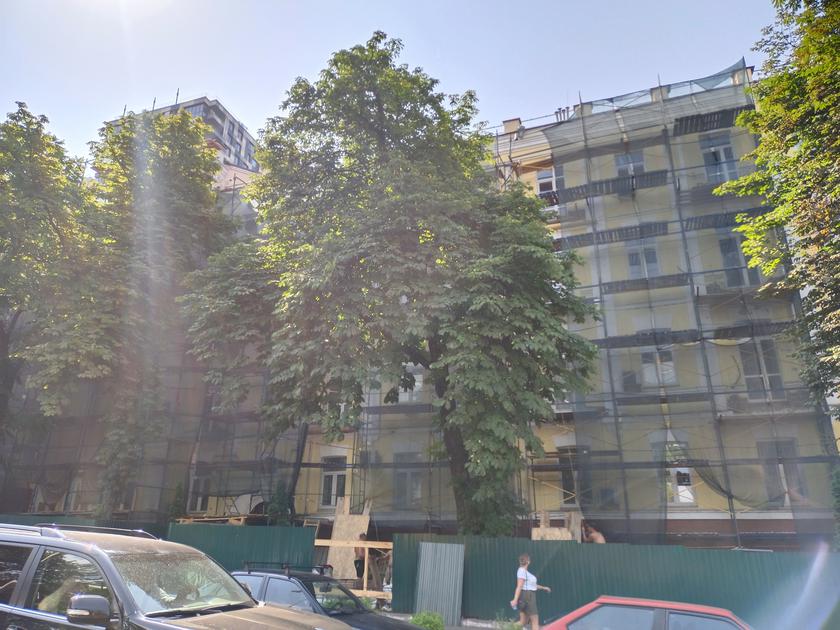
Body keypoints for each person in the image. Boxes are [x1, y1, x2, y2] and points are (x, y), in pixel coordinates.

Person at [510, 553, 550, 629]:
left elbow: (533, 585)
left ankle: (507, 628)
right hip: (528, 597)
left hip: (526, 596)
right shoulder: (522, 571)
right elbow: (519, 586)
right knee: (535, 621)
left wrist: (544, 588)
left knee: (523, 621)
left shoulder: (525, 572)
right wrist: (515, 600)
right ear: (528, 562)